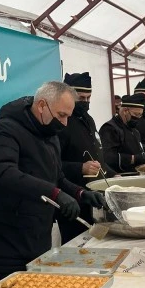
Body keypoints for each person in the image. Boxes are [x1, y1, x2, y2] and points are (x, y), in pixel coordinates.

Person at [0, 82, 105, 283]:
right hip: (5, 243)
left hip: (36, 238)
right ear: (42, 105)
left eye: (68, 116)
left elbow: (57, 177)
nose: (65, 123)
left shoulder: (49, 135)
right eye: (61, 115)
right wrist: (55, 193)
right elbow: (3, 173)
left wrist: (81, 194)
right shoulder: (6, 130)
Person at [58, 72, 116, 243]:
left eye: (88, 98)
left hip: (93, 198)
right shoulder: (62, 123)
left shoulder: (88, 120)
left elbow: (98, 155)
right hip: (71, 200)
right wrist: (79, 168)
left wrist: (112, 174)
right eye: (81, 98)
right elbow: (51, 165)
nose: (85, 102)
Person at [99, 93, 145, 173]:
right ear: (125, 111)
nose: (138, 118)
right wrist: (134, 158)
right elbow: (108, 158)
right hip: (120, 176)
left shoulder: (134, 130)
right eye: (136, 114)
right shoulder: (110, 128)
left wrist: (141, 148)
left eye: (140, 115)